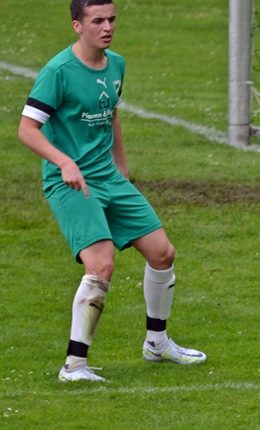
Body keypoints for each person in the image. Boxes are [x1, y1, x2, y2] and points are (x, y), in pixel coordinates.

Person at [17, 0, 206, 382]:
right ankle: (74, 366)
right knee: (101, 264)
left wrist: (121, 166)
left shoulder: (116, 64)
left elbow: (112, 113)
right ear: (77, 25)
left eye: (112, 19)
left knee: (162, 252)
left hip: (108, 177)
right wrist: (64, 162)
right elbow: (26, 130)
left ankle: (157, 343)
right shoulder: (58, 72)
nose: (107, 27)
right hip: (70, 181)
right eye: (97, 20)